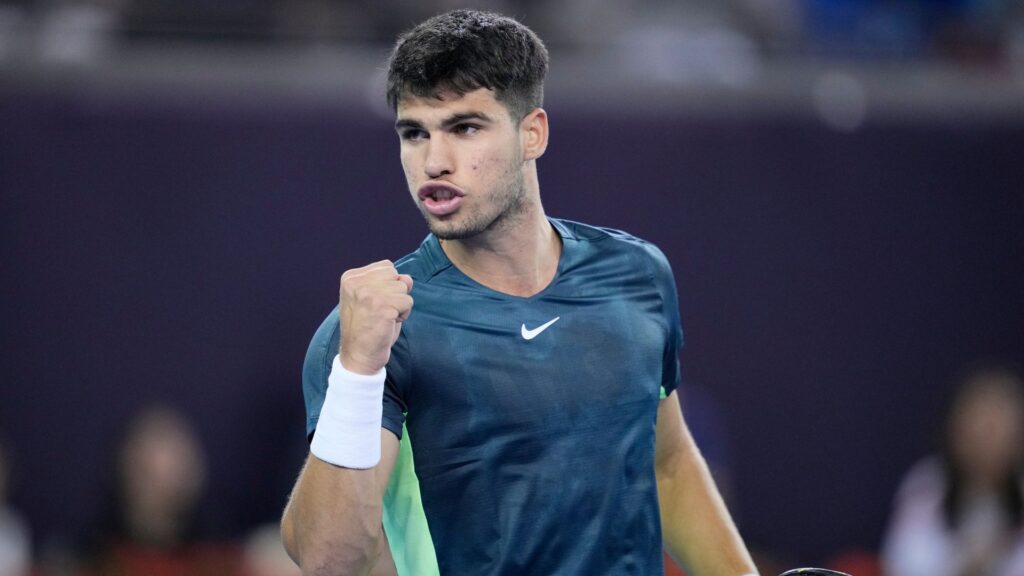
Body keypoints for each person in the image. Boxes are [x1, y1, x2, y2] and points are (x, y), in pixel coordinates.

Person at [280, 9, 757, 575]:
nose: (434, 162)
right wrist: (358, 370)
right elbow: (328, 561)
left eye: (465, 127)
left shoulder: (637, 274)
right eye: (415, 133)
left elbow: (668, 466)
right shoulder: (375, 332)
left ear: (533, 134)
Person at [881, 361, 1024, 576]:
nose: (988, 442)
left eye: (998, 428)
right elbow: (903, 565)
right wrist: (968, 563)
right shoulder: (926, 485)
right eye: (979, 426)